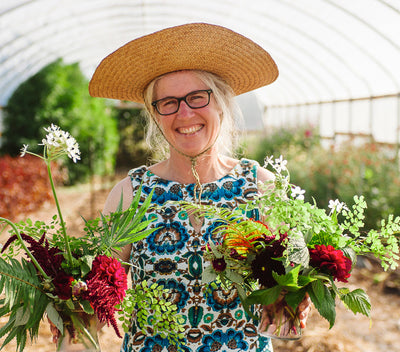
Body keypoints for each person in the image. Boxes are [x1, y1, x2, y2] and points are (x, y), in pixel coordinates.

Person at [89, 23, 310, 352]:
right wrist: (72, 307)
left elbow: (297, 273)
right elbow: (103, 288)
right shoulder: (130, 194)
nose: (184, 112)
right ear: (155, 114)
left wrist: (293, 294)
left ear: (221, 102)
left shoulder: (260, 186)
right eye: (168, 102)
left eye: (197, 97)